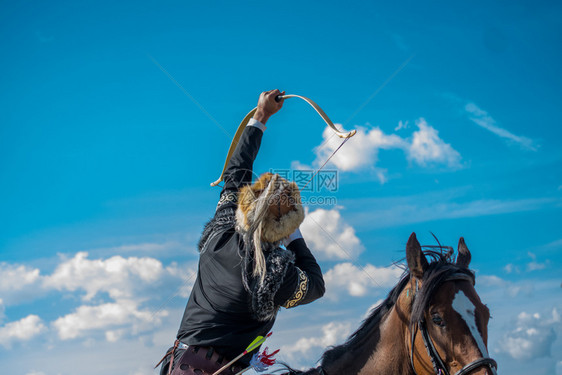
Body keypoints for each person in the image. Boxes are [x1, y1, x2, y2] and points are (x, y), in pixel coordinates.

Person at [157, 89, 326, 375]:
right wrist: (295, 237)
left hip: (179, 365)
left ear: (246, 207)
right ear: (283, 229)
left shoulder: (220, 230)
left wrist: (261, 115)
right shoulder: (276, 274)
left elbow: (237, 172)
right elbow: (316, 286)